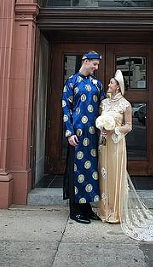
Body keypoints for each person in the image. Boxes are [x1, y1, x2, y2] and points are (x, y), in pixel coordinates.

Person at [97, 70, 153, 240]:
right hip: (103, 144)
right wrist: (102, 128)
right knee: (104, 174)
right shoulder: (103, 103)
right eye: (109, 83)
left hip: (116, 144)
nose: (108, 85)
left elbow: (129, 126)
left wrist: (114, 130)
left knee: (116, 175)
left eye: (111, 83)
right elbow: (100, 120)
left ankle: (115, 213)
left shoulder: (126, 105)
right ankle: (104, 210)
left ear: (118, 87)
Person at [62, 51, 106, 224]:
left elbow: (103, 108)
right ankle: (75, 211)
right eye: (94, 64)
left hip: (94, 136)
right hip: (78, 135)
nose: (96, 68)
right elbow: (66, 108)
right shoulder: (71, 82)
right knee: (77, 172)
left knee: (91, 172)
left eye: (97, 65)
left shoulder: (98, 84)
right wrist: (69, 132)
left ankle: (87, 209)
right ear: (85, 61)